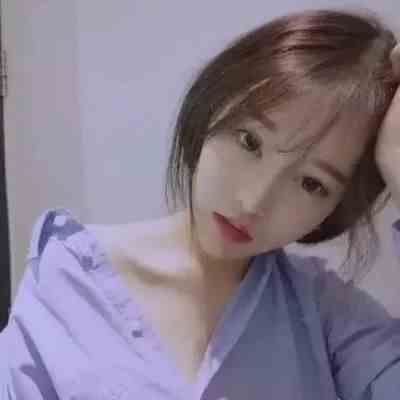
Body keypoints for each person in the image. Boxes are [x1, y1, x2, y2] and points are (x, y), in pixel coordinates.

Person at [1, 7, 400, 400]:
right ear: (213, 104)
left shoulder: (328, 316)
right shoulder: (69, 278)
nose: (252, 201)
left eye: (312, 184)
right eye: (249, 142)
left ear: (335, 209)